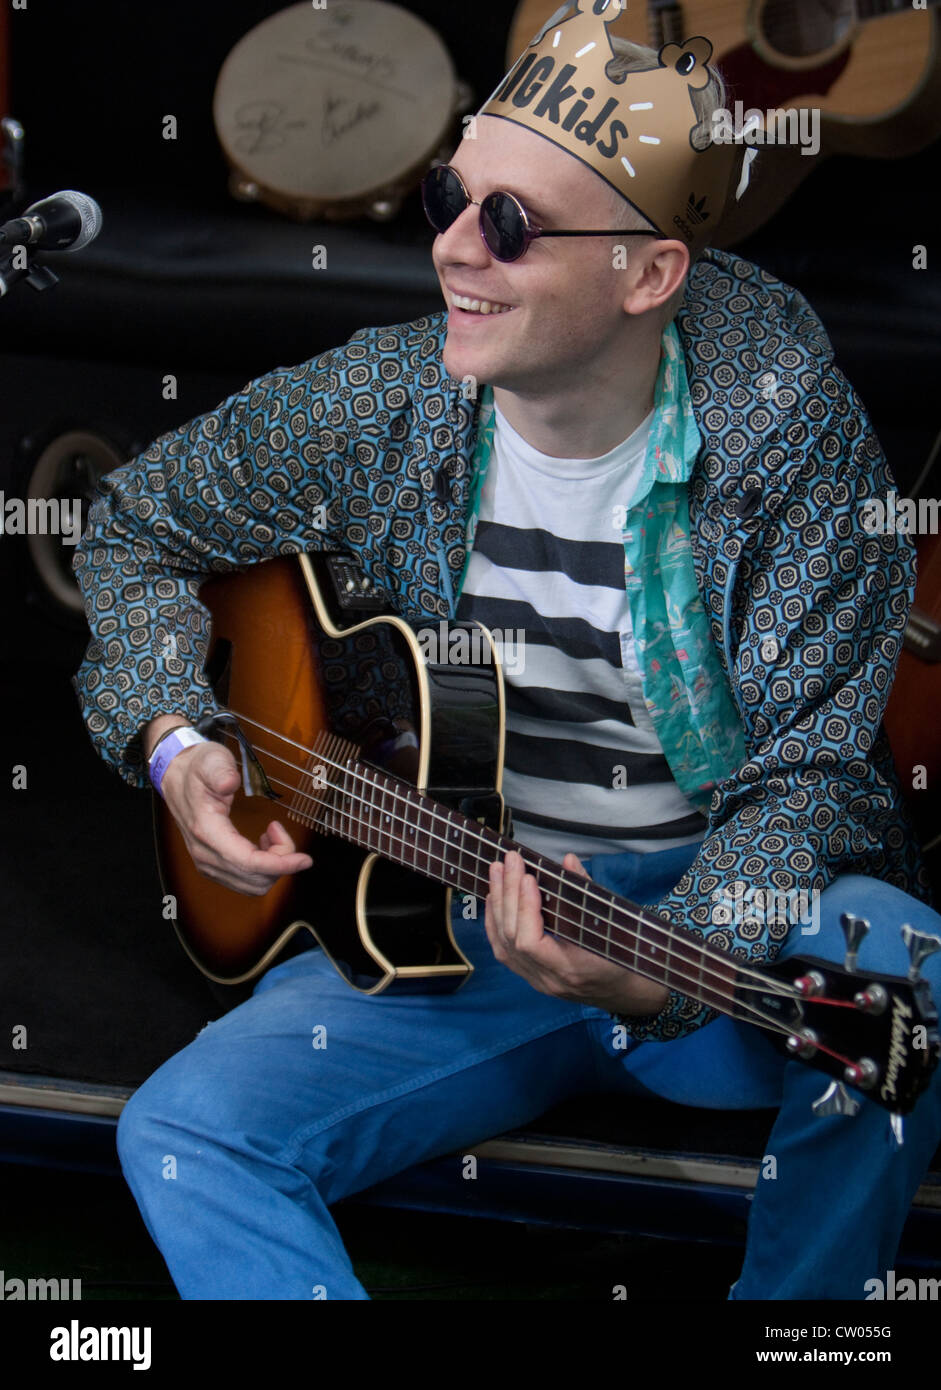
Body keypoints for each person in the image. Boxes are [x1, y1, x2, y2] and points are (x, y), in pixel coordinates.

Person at [72, 4, 941, 1300]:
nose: (451, 254)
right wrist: (176, 739)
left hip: (719, 920)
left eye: (512, 225)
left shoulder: (782, 422)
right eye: (446, 196)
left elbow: (811, 781)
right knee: (188, 1130)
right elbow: (134, 525)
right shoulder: (388, 394)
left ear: (647, 274)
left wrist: (657, 967)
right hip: (465, 911)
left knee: (902, 968)